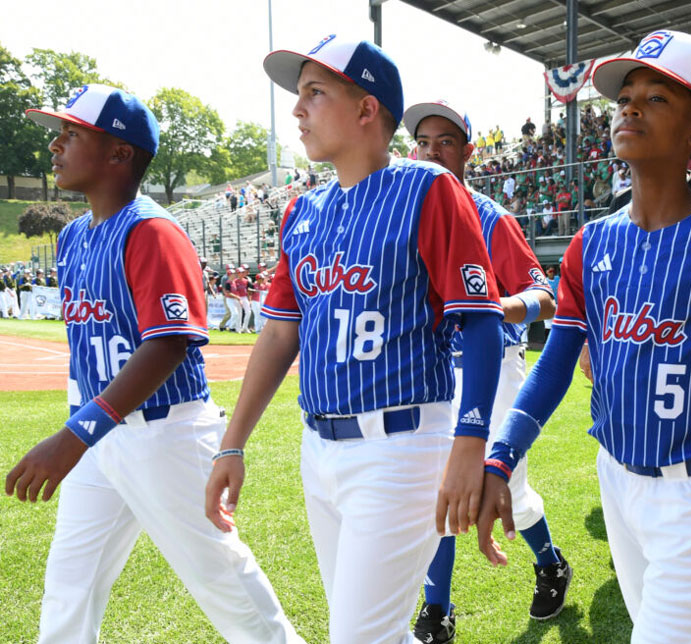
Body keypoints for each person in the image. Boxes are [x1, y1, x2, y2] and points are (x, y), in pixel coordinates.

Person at [477, 30, 691, 643]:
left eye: (657, 98)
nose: (631, 107)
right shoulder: (591, 243)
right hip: (615, 477)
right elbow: (555, 364)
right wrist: (500, 455)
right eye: (625, 97)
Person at [203, 36, 504, 643]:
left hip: (402, 445)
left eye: (315, 93)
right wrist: (232, 444)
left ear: (367, 109)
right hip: (320, 449)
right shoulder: (303, 210)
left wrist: (470, 444)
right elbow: (280, 331)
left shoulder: (429, 189)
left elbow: (481, 320)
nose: (297, 110)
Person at [5, 84, 301, 643]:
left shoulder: (152, 229)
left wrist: (73, 436)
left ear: (119, 153)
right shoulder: (73, 237)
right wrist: (84, 432)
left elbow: (168, 343)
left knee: (225, 585)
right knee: (69, 586)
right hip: (100, 435)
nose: (54, 146)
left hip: (164, 433)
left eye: (71, 134)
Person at [404, 99, 563, 639]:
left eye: (444, 142)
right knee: (435, 487)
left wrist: (502, 308)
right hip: (430, 374)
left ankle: (549, 563)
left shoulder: (491, 216)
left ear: (469, 152)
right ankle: (437, 609)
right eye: (423, 142)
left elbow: (547, 295)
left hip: (494, 366)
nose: (431, 152)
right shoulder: (405, 210)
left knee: (505, 485)